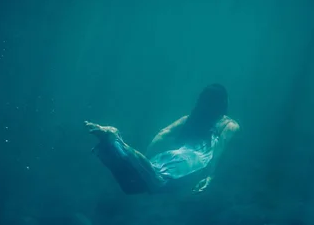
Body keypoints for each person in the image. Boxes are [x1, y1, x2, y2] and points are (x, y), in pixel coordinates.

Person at [85, 84, 240, 195]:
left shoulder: (189, 118)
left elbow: (162, 133)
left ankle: (110, 144)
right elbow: (219, 147)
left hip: (174, 155)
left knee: (131, 188)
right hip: (193, 162)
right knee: (156, 182)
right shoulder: (230, 125)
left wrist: (147, 156)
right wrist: (210, 175)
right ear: (223, 102)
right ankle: (115, 138)